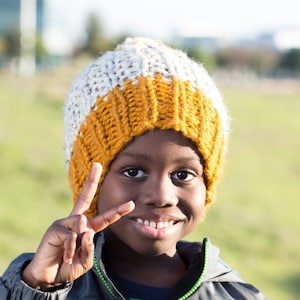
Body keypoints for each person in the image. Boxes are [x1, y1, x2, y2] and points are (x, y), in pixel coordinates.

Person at [0, 37, 265, 299]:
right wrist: (37, 290)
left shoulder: (236, 295)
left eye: (182, 175)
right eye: (133, 172)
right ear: (89, 181)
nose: (162, 196)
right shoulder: (45, 284)